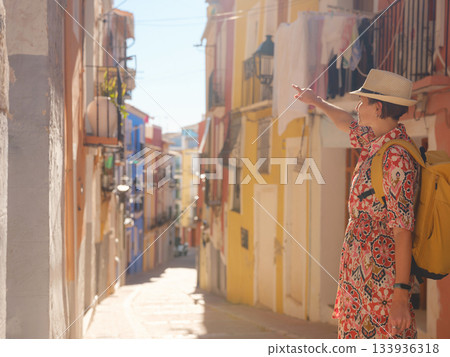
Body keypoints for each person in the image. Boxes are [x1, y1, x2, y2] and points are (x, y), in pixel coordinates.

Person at [293, 69, 419, 339]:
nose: (358, 107)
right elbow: (344, 122)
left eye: (363, 102)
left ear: (379, 107)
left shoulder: (396, 157)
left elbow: (402, 230)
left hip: (380, 283)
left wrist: (399, 297)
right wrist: (317, 101)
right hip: (360, 279)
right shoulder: (375, 142)